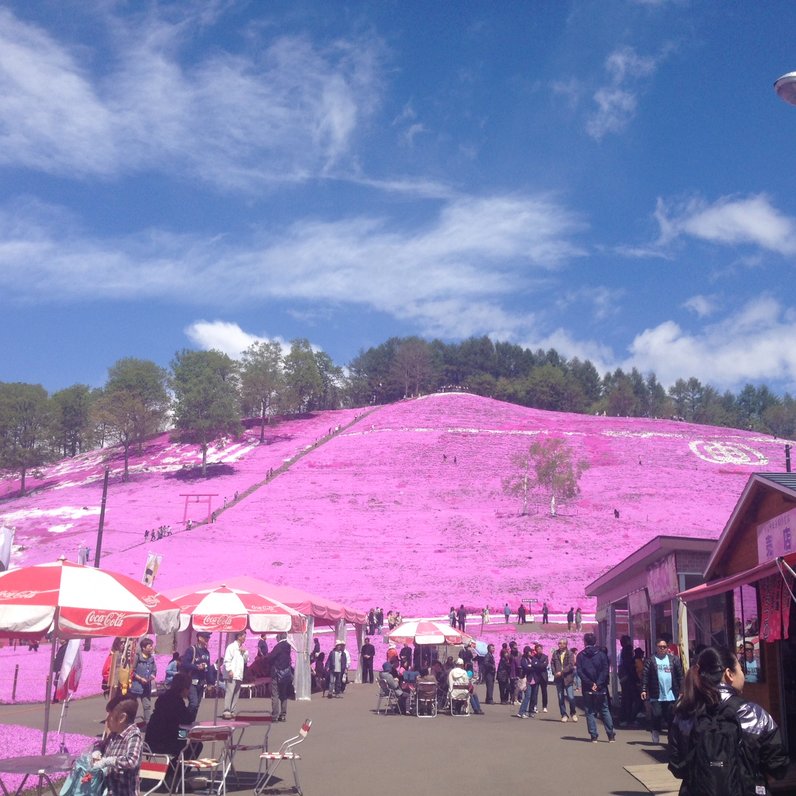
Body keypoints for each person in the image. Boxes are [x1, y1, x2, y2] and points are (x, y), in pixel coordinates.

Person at [668, 646, 788, 795]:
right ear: (729, 674)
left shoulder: (684, 714)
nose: (743, 673)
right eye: (740, 668)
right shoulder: (755, 714)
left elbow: (676, 766)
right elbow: (778, 766)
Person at [92, 698, 142, 796]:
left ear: (122, 718)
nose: (106, 721)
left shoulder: (133, 735)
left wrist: (108, 761)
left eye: (109, 716)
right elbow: (100, 745)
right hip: (108, 790)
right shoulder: (114, 734)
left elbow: (132, 760)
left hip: (124, 792)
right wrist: (96, 751)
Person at [641, 638, 684, 744]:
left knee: (670, 716)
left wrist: (682, 690)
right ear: (656, 648)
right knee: (657, 714)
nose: (662, 649)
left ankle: (671, 738)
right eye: (660, 647)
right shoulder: (651, 660)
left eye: (664, 647)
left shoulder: (674, 659)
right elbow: (645, 676)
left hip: (671, 694)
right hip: (656, 694)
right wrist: (644, 689)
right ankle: (655, 730)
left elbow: (680, 676)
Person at [576, 632, 615, 742]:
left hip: (587, 687)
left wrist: (590, 683)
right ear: (595, 641)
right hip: (601, 687)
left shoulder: (580, 655)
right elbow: (605, 670)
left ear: (585, 642)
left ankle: (594, 735)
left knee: (590, 711)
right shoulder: (601, 655)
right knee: (604, 709)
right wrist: (598, 683)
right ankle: (610, 734)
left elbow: (580, 672)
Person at [181, 632, 211, 721]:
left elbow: (208, 668)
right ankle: (183, 720)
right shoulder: (192, 650)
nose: (207, 639)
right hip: (191, 681)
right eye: (206, 637)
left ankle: (191, 722)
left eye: (208, 637)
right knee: (193, 703)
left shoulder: (207, 652)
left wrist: (210, 682)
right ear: (200, 638)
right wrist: (197, 667)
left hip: (201, 682)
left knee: (197, 705)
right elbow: (184, 664)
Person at [129, 637, 158, 726]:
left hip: (146, 686)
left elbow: (154, 670)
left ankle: (148, 724)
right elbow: (132, 671)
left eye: (151, 646)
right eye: (149, 646)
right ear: (143, 648)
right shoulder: (137, 657)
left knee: (147, 706)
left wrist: (151, 677)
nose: (151, 648)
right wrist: (140, 679)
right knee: (133, 705)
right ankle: (130, 723)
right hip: (136, 685)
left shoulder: (151, 658)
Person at [266, 633, 294, 721]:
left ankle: (275, 715)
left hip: (276, 673)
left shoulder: (278, 647)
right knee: (283, 694)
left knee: (275, 694)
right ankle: (283, 714)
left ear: (279, 637)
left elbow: (270, 657)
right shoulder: (288, 647)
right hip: (285, 674)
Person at [222, 630, 249, 719]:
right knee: (230, 692)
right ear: (239, 637)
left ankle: (233, 710)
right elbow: (227, 659)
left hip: (239, 674)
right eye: (244, 636)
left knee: (236, 693)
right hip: (232, 674)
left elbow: (245, 661)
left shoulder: (242, 648)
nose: (245, 638)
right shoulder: (231, 647)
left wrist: (244, 652)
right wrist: (229, 670)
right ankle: (226, 710)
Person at [551, 638, 577, 722]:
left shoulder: (570, 653)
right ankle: (564, 714)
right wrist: (554, 672)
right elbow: (552, 663)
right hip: (558, 679)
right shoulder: (555, 653)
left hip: (567, 678)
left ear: (565, 645)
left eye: (561, 643)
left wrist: (561, 672)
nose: (559, 645)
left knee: (570, 697)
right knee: (560, 697)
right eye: (559, 643)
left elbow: (571, 665)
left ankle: (573, 713)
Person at [618, 635, 640, 727]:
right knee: (633, 700)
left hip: (624, 678)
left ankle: (626, 718)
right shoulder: (628, 650)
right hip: (629, 678)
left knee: (626, 699)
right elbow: (630, 666)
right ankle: (630, 718)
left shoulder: (622, 651)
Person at [529, 642, 549, 713]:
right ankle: (534, 706)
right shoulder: (534, 657)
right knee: (535, 692)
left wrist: (537, 665)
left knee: (544, 692)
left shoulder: (545, 657)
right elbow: (533, 664)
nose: (540, 650)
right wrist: (540, 664)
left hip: (543, 677)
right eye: (538, 649)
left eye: (541, 649)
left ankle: (545, 706)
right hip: (536, 676)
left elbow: (545, 665)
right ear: (536, 650)